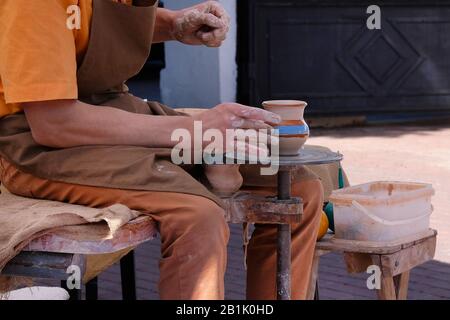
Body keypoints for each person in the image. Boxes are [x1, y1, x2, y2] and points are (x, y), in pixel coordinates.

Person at [0, 0, 323, 299]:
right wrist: (194, 132)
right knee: (197, 216)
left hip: (112, 106)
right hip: (34, 138)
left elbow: (89, 22)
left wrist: (174, 25)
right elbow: (53, 123)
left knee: (298, 187)